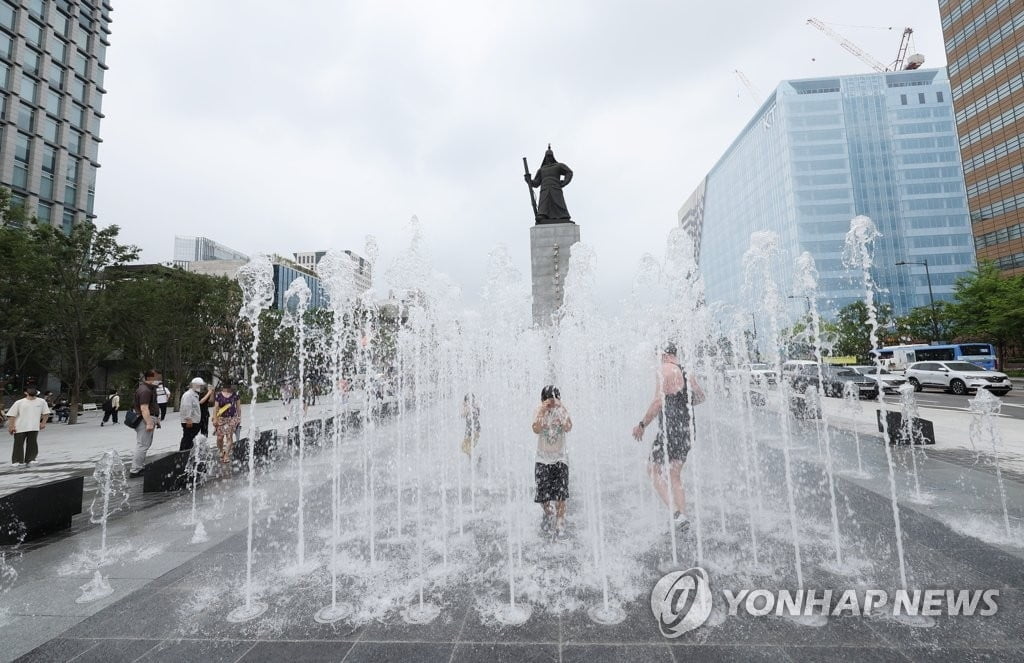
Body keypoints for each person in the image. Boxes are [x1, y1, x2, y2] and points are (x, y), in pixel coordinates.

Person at [631, 343, 706, 532]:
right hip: (688, 429)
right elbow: (700, 397)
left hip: (671, 429)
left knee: (652, 469)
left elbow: (658, 402)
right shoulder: (686, 371)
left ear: (664, 355)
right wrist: (682, 403)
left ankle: (675, 514)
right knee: (675, 475)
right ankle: (682, 520)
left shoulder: (664, 370)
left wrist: (642, 425)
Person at [532, 385, 573, 539]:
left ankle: (559, 526)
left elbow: (568, 427)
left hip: (560, 458)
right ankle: (549, 513)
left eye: (553, 401)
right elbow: (536, 429)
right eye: (548, 402)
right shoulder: (539, 410)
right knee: (543, 498)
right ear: (542, 401)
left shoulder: (561, 411)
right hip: (542, 460)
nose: (551, 405)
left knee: (561, 495)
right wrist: (543, 410)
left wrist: (561, 408)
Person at [129, 369, 162, 478]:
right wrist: (149, 422)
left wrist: (155, 419)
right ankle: (136, 470)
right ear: (150, 378)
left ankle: (138, 467)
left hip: (147, 418)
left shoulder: (148, 389)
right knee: (142, 445)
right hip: (144, 419)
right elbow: (144, 408)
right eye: (158, 378)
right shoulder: (145, 391)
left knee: (144, 444)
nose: (159, 380)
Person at [6, 386, 50, 466]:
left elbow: (46, 413)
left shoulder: (41, 401)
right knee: (18, 444)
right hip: (20, 427)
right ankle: (17, 461)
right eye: (29, 390)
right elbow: (12, 415)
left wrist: (43, 423)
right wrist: (11, 426)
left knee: (32, 443)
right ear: (25, 392)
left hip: (34, 426)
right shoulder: (19, 402)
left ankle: (31, 459)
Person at [213, 382, 241, 464]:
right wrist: (215, 419)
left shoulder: (235, 395)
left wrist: (239, 418)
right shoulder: (219, 395)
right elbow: (215, 408)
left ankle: (226, 455)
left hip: (231, 418)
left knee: (229, 437)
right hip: (221, 419)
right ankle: (221, 450)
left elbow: (238, 408)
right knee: (220, 438)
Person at [179, 377, 205, 451]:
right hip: (190, 421)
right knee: (187, 439)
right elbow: (186, 407)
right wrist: (188, 419)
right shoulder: (188, 395)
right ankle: (183, 453)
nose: (201, 388)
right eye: (200, 386)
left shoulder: (194, 394)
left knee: (190, 440)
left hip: (194, 421)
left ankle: (187, 453)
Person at [460, 393, 481, 465]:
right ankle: (474, 460)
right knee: (467, 447)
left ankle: (476, 459)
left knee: (465, 447)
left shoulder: (469, 407)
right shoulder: (475, 407)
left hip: (472, 432)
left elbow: (462, 415)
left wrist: (465, 405)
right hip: (475, 431)